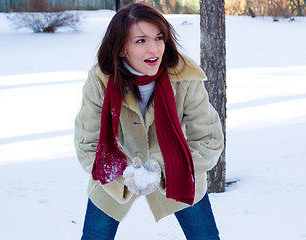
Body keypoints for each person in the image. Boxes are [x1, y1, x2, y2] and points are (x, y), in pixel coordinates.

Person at [74, 3, 224, 240]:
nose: (154, 49)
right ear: (121, 48)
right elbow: (87, 143)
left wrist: (168, 168)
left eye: (158, 38)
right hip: (113, 176)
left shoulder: (184, 76)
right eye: (141, 41)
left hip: (180, 172)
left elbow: (209, 139)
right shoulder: (100, 81)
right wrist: (122, 174)